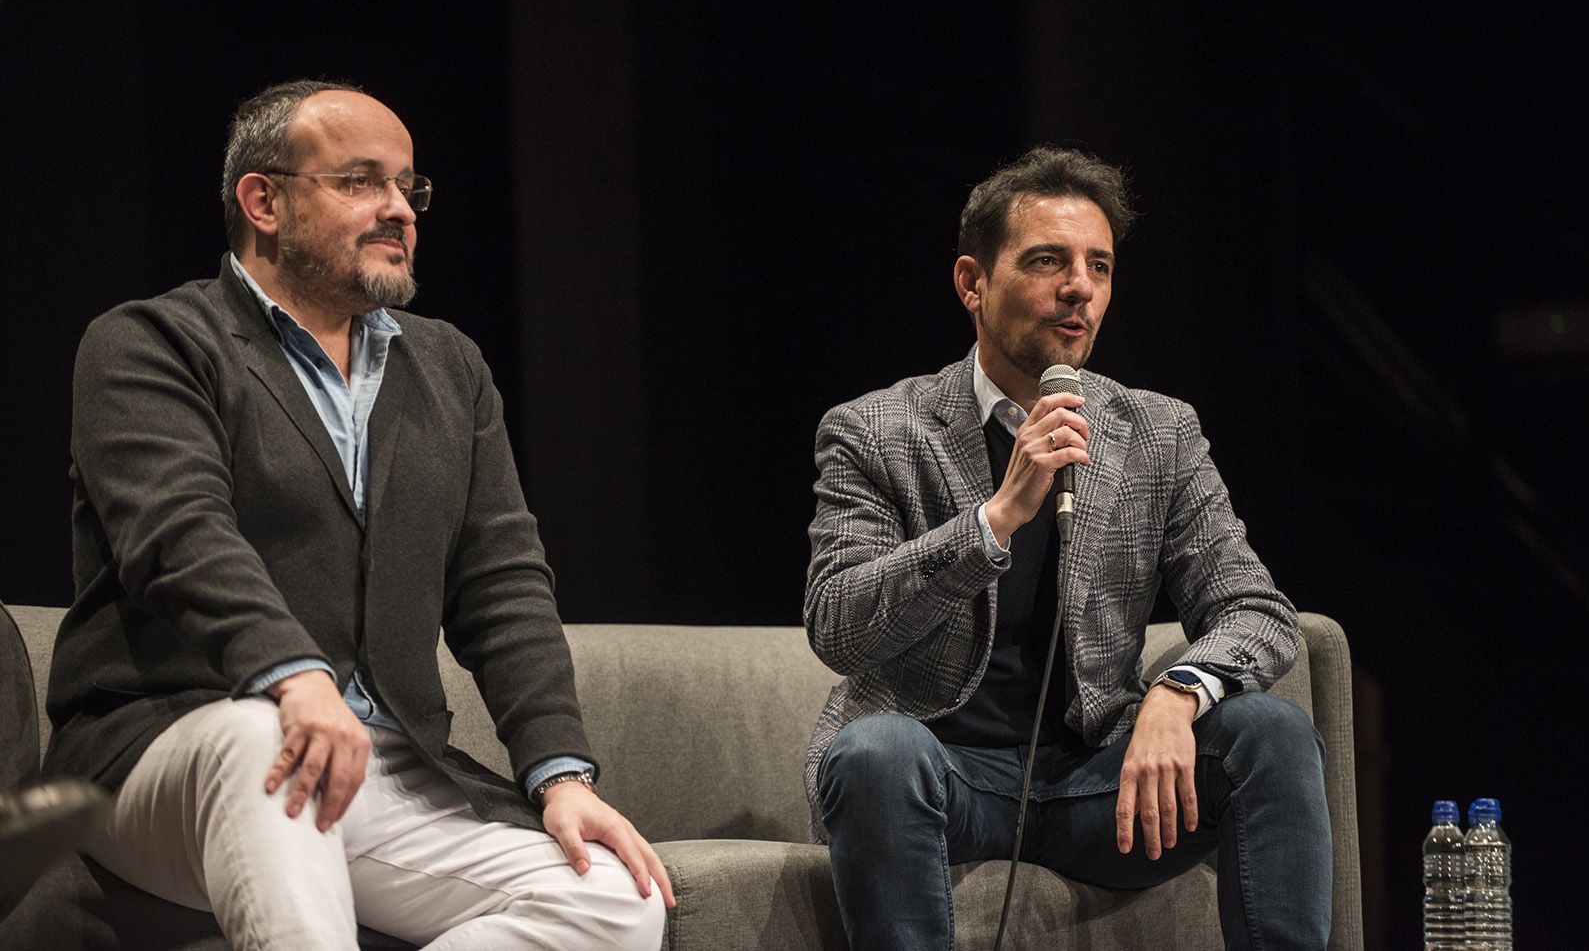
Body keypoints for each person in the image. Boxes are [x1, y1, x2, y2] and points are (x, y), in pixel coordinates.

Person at [45, 80, 671, 950]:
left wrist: (559, 774)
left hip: (389, 764)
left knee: (617, 899)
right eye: (360, 182)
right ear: (263, 201)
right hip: (170, 749)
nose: (399, 209)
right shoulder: (151, 343)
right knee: (258, 736)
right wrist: (293, 677)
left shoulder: (448, 366)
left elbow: (502, 585)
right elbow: (180, 535)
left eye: (408, 187)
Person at [803, 146, 1332, 950]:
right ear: (972, 283)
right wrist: (993, 521)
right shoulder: (876, 431)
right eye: (1047, 261)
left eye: (1099, 266)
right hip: (942, 777)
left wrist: (1176, 694)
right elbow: (838, 624)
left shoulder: (1159, 432)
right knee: (874, 749)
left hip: (1100, 783)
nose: (1079, 287)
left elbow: (1255, 609)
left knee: (1272, 731)